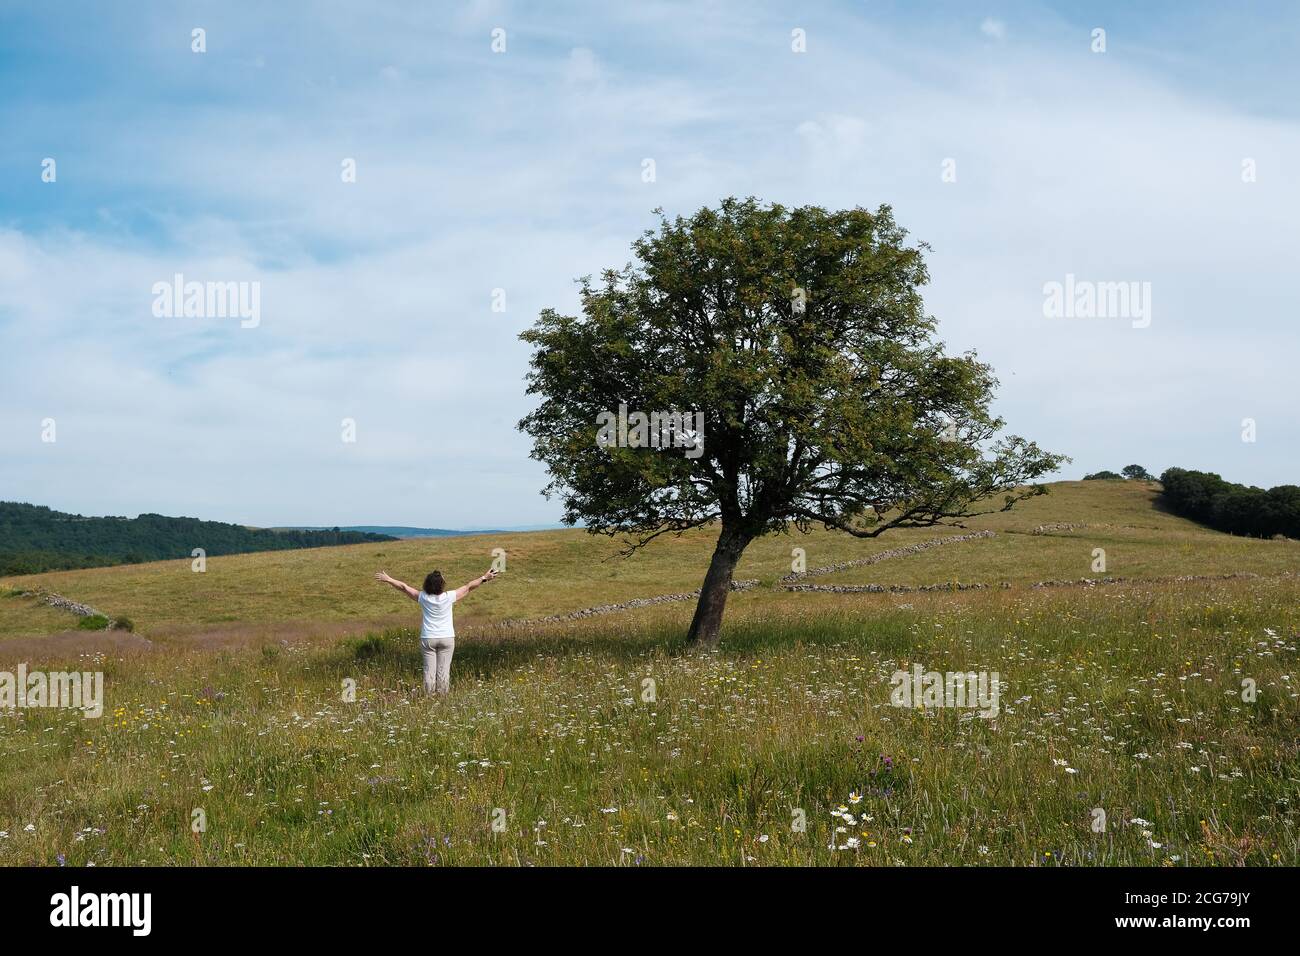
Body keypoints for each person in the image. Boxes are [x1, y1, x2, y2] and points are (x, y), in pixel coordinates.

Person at [373, 567, 499, 696]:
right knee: (444, 670)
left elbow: (404, 587)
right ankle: (442, 697)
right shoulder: (449, 596)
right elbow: (468, 587)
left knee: (429, 671)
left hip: (428, 638)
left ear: (427, 584)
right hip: (447, 638)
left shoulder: (422, 597)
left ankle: (429, 697)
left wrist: (388, 579)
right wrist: (484, 578)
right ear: (441, 585)